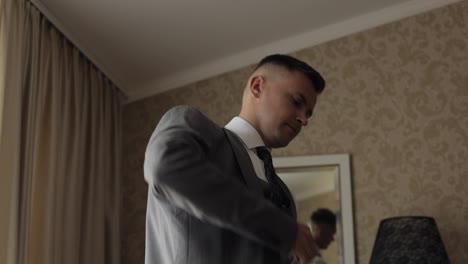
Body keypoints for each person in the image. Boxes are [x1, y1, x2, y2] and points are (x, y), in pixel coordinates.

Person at [143, 54, 326, 264]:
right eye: (296, 101)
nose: (303, 120)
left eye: (308, 114)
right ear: (257, 86)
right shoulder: (194, 126)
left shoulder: (284, 193)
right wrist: (283, 229)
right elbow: (164, 167)